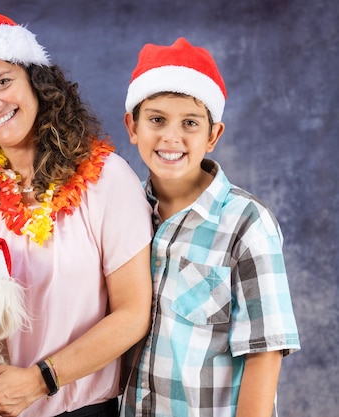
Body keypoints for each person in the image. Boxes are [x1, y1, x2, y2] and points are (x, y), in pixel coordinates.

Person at [0, 10, 153, 417]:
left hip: (72, 409)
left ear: (37, 82)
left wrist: (40, 379)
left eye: (2, 82)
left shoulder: (107, 180)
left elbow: (132, 313)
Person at [120, 38, 300, 417]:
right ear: (132, 126)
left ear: (213, 136)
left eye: (190, 123)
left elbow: (265, 353)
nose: (171, 137)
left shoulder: (247, 223)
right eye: (156, 119)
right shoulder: (124, 212)